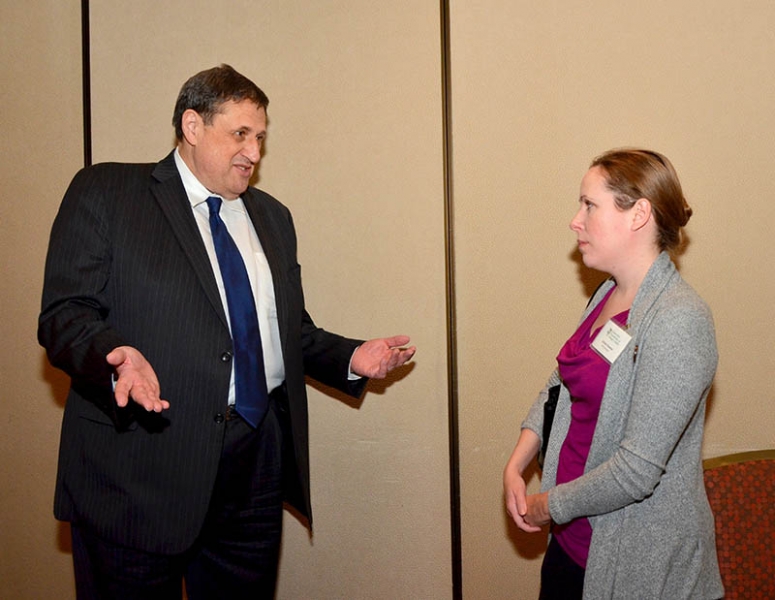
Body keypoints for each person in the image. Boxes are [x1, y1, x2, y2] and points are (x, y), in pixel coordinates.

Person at [38, 64, 416, 599]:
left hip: (252, 470)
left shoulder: (273, 218)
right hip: (140, 467)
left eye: (260, 137)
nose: (254, 152)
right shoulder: (108, 192)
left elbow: (284, 331)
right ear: (192, 126)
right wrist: (114, 355)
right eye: (240, 133)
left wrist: (352, 357)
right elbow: (66, 313)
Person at [503, 149, 723, 599]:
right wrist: (519, 459)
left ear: (638, 214)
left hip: (636, 561)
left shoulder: (679, 319)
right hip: (571, 542)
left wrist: (548, 505)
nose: (575, 221)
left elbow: (635, 471)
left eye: (590, 205)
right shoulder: (607, 293)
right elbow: (562, 383)